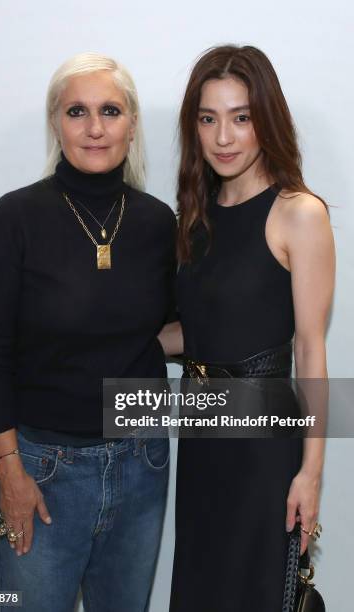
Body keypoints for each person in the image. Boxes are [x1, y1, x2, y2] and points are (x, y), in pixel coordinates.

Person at [0, 52, 176, 612]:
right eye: (76, 111)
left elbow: (182, 325)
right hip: (43, 472)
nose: (94, 127)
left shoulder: (159, 223)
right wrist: (10, 471)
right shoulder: (15, 218)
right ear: (56, 124)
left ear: (131, 124)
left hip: (144, 459)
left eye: (110, 110)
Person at [166, 45, 335, 611]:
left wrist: (310, 474)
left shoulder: (298, 212)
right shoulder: (198, 211)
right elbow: (202, 333)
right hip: (203, 432)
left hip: (264, 443)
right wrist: (103, 341)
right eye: (208, 118)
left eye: (241, 117)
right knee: (202, 588)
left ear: (267, 118)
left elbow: (311, 350)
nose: (223, 137)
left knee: (254, 592)